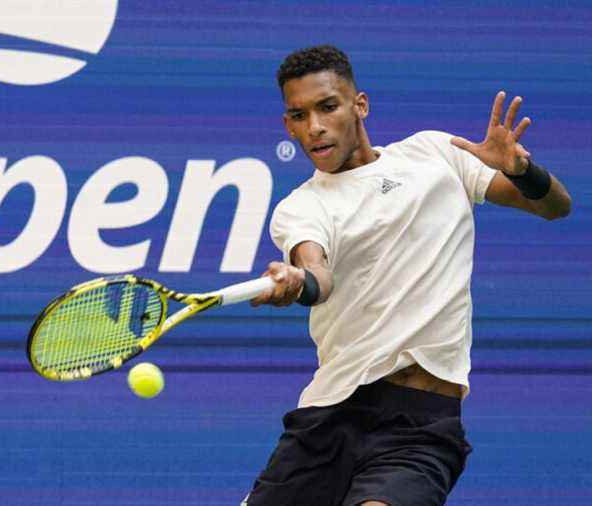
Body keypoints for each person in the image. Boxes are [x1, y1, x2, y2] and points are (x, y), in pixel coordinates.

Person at [242, 45, 572, 506]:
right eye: (298, 115)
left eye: (327, 107)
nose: (314, 127)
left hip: (421, 426)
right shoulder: (301, 207)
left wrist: (523, 171)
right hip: (327, 419)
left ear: (360, 105)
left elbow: (555, 207)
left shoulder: (434, 154)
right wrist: (300, 281)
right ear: (287, 125)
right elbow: (318, 272)